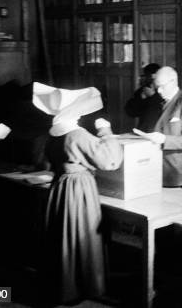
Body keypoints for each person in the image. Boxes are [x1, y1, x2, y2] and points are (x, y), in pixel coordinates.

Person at [32, 83, 123, 304]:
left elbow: (42, 160)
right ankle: (81, 287)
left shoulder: (53, 134)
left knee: (63, 235)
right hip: (78, 189)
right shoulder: (77, 135)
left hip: (60, 187)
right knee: (81, 235)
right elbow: (110, 160)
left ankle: (63, 284)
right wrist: (106, 132)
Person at [138, 66, 182, 187]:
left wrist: (164, 139)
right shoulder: (154, 101)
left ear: (174, 81)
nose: (159, 91)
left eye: (162, 86)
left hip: (176, 174)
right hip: (152, 169)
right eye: (157, 87)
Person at [124, 63, 164, 132]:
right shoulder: (143, 90)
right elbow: (130, 112)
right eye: (147, 76)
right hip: (144, 130)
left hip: (162, 130)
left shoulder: (165, 91)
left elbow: (165, 108)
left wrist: (154, 96)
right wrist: (141, 98)